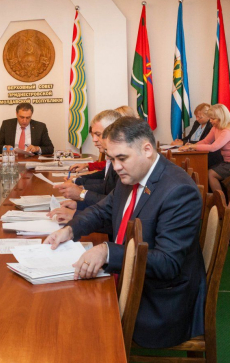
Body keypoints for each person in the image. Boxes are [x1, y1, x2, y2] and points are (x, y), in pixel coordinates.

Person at [45, 117, 205, 349]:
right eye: (112, 159)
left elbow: (168, 263)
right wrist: (70, 230)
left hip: (158, 302)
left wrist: (108, 252)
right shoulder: (131, 174)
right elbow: (102, 211)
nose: (116, 166)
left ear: (147, 150)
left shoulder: (179, 190)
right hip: (129, 279)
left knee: (72, 322)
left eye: (122, 158)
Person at [49, 110, 121, 223]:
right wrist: (79, 203)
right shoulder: (114, 159)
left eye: (98, 134)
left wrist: (81, 194)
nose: (94, 140)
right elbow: (107, 188)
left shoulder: (122, 164)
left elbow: (118, 206)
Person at [179, 104, 230, 194]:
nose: (210, 121)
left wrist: (192, 146)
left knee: (211, 174)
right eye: (210, 118)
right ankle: (218, 198)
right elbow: (206, 141)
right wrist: (192, 145)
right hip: (229, 162)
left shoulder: (228, 130)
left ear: (221, 118)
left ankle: (219, 199)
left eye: (213, 119)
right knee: (210, 172)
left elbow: (213, 147)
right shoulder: (215, 128)